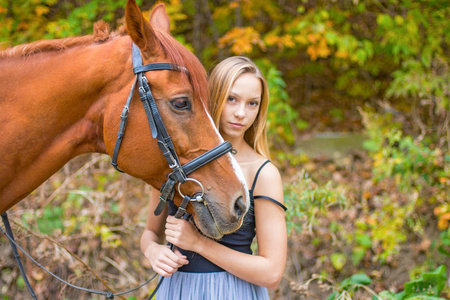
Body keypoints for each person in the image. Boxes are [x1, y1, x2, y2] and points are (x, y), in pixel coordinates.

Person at [140, 56, 287, 299]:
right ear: (213, 96)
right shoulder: (179, 160)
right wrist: (154, 252)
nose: (241, 113)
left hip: (232, 292)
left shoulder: (263, 172)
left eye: (252, 103)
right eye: (232, 99)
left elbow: (271, 273)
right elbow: (150, 233)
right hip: (176, 291)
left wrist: (198, 244)